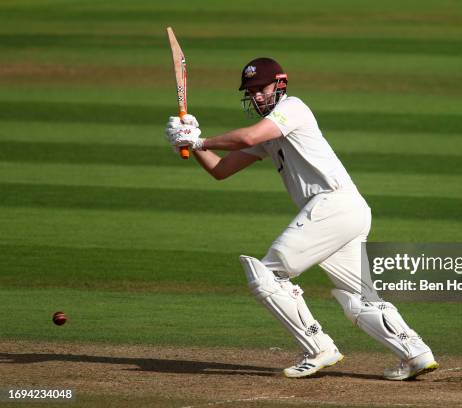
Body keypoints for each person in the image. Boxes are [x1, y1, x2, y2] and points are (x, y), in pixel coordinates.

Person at [164, 57, 438, 380]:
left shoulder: (293, 108)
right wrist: (190, 140)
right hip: (346, 212)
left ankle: (318, 347)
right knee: (358, 298)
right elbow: (221, 169)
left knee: (266, 275)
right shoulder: (271, 134)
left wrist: (200, 140)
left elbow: (249, 137)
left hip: (332, 205)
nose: (256, 97)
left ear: (279, 84)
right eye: (251, 92)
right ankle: (416, 352)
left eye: (261, 89)